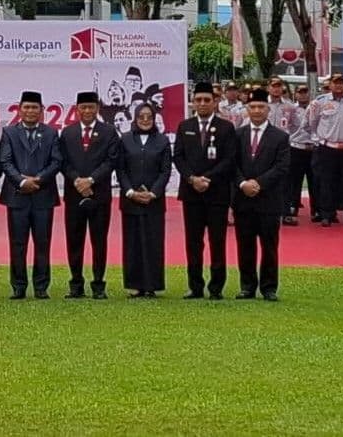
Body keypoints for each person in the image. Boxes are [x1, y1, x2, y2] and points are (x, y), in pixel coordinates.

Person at [0, 90, 61, 299]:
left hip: (43, 196)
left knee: (42, 242)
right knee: (18, 243)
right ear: (19, 109)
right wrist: (23, 181)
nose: (30, 111)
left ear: (42, 111)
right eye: (26, 107)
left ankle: (41, 286)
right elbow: (5, 161)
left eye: (35, 107)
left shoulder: (51, 133)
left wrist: (38, 180)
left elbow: (56, 161)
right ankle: (18, 286)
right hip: (17, 195)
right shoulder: (9, 132)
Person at [174, 81, 234, 298]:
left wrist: (207, 178)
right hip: (191, 193)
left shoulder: (226, 128)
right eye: (198, 100)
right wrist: (192, 179)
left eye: (206, 100)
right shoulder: (185, 126)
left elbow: (229, 159)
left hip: (216, 193)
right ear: (192, 102)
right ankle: (195, 286)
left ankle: (216, 287)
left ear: (215, 102)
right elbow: (178, 157)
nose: (202, 104)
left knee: (217, 241)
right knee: (193, 241)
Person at [58, 90, 117, 299]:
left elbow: (111, 161)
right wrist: (77, 181)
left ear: (97, 109)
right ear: (77, 109)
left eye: (91, 107)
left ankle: (99, 284)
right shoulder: (68, 133)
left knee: (99, 241)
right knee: (74, 240)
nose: (87, 111)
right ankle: (76, 284)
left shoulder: (109, 132)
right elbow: (62, 162)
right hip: (74, 195)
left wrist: (91, 180)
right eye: (83, 107)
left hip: (99, 195)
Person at [232, 90, 291, 301]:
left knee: (269, 246)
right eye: (253, 107)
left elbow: (282, 167)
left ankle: (269, 288)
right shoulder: (237, 135)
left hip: (269, 200)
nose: (256, 111)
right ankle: (247, 286)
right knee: (245, 245)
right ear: (247, 110)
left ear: (268, 109)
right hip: (243, 199)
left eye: (261, 107)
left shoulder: (281, 137)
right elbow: (232, 164)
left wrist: (259, 183)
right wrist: (242, 183)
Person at [117, 101, 172, 298]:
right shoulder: (125, 140)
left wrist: (153, 193)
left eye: (149, 116)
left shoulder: (163, 141)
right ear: (135, 118)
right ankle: (134, 284)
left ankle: (152, 285)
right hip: (130, 201)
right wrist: (130, 192)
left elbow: (165, 171)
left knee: (153, 243)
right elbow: (120, 169)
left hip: (154, 201)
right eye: (141, 116)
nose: (145, 120)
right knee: (132, 244)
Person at [307, 73, 343, 227]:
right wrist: (319, 139)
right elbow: (312, 123)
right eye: (335, 82)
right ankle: (327, 214)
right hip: (328, 148)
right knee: (326, 182)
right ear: (330, 84)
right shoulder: (320, 103)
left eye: (341, 82)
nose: (338, 85)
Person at [265, 78, 308, 225]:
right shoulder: (262, 104)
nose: (276, 89)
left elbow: (297, 125)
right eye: (273, 86)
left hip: (283, 147)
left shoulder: (289, 106)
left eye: (279, 86)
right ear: (268, 88)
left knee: (285, 180)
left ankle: (285, 212)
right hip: (264, 146)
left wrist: (289, 137)